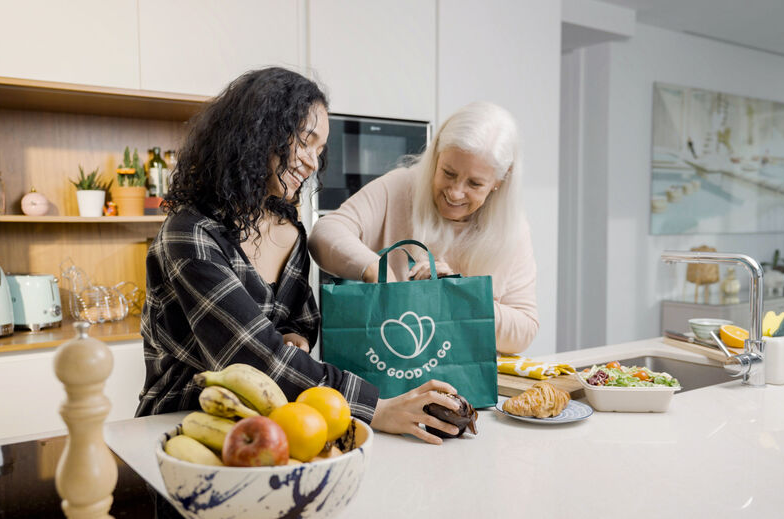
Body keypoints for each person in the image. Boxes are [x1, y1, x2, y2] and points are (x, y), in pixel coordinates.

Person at [135, 67, 461, 446]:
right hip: (181, 428)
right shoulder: (190, 234)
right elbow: (255, 356)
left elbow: (301, 319)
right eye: (305, 142)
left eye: (320, 151)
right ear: (257, 133)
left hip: (274, 426)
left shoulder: (290, 228)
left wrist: (296, 337)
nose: (312, 163)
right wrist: (378, 408)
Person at [309, 101, 539, 354]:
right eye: (448, 173)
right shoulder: (399, 188)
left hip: (467, 382)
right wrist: (376, 270)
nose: (455, 192)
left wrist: (457, 293)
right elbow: (325, 232)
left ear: (499, 181)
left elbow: (524, 332)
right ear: (437, 155)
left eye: (474, 184)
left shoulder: (511, 229)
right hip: (391, 373)